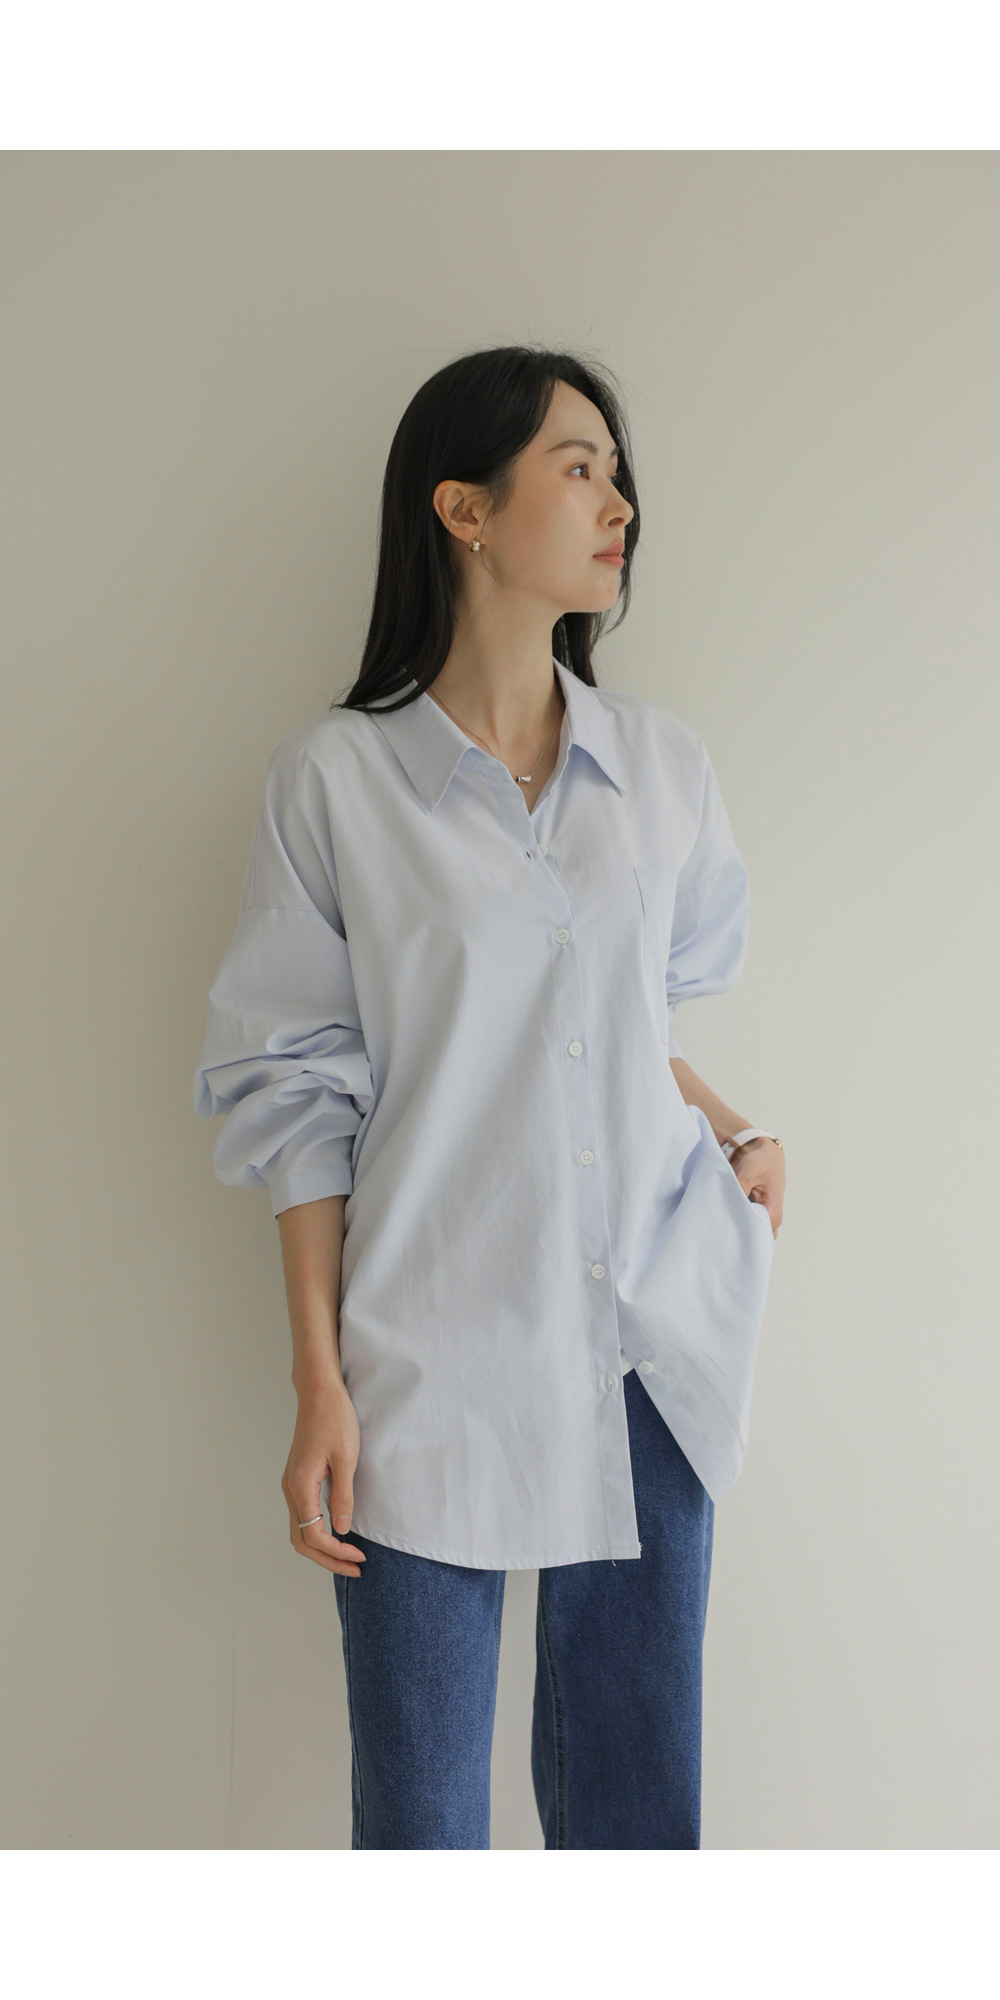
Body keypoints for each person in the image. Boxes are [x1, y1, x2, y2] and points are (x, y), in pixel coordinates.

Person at [193, 343, 786, 1849]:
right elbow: (299, 1099)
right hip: (426, 1361)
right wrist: (318, 1380)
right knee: (422, 1834)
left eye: (618, 473)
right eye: (579, 469)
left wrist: (735, 1133)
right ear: (462, 509)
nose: (620, 505)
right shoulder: (335, 784)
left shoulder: (661, 771)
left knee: (636, 1831)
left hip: (643, 1346)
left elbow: (621, 1026)